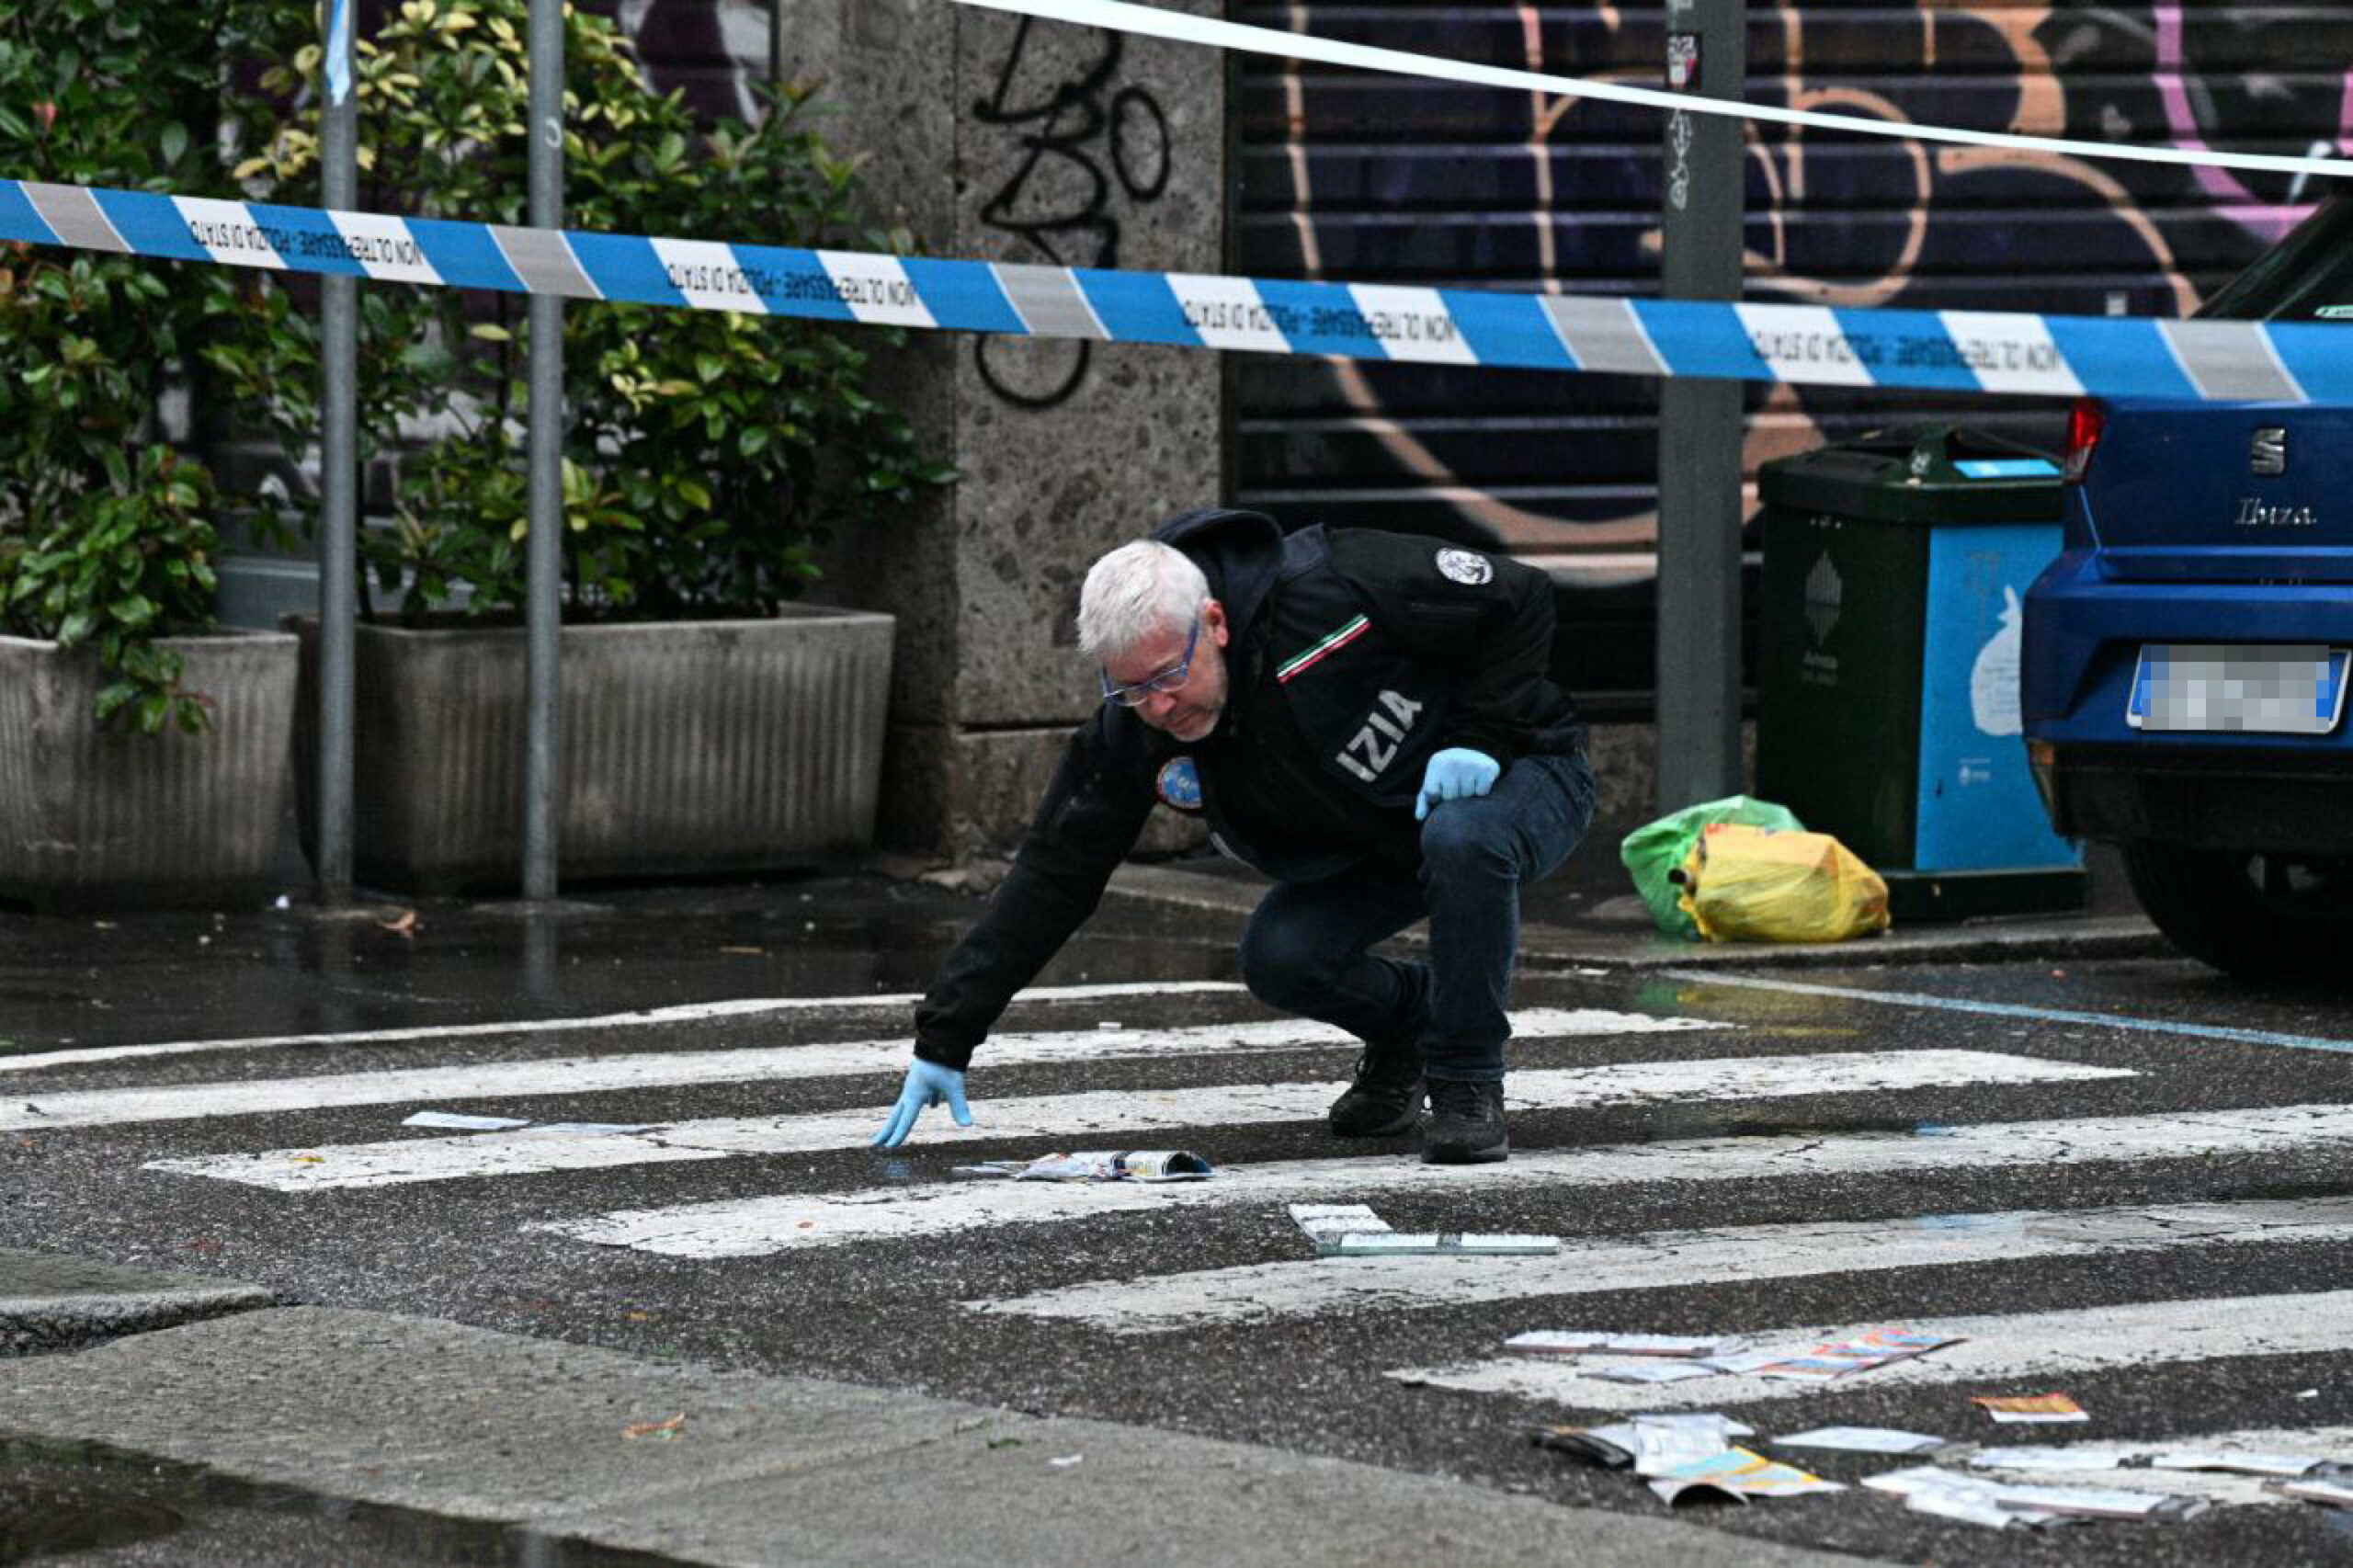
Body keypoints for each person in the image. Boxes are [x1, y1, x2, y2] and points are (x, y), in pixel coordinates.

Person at [870, 506, 1594, 1165]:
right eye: (1129, 689)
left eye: (1169, 676)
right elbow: (1055, 874)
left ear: (1214, 622)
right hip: (1379, 834)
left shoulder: (1335, 583)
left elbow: (1518, 594)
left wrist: (1482, 736)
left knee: (1463, 840)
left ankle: (1467, 1078)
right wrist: (947, 1035)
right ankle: (1409, 1024)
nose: (1157, 705)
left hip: (1523, 771)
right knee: (1281, 956)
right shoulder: (1138, 725)